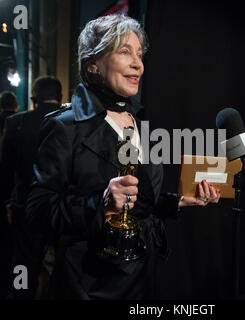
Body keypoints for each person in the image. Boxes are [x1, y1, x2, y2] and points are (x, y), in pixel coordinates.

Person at [26, 14, 220, 300]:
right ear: (92, 63)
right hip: (90, 286)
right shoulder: (64, 126)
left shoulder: (141, 124)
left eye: (139, 54)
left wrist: (176, 201)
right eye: (124, 52)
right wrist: (99, 205)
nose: (137, 64)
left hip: (145, 280)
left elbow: (140, 202)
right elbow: (36, 211)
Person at [0, 76, 62, 299]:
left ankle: (20, 294)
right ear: (60, 96)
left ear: (34, 97)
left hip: (24, 204)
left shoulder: (16, 123)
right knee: (59, 262)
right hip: (60, 207)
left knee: (23, 261)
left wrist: (7, 201)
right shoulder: (71, 123)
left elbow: (6, 171)